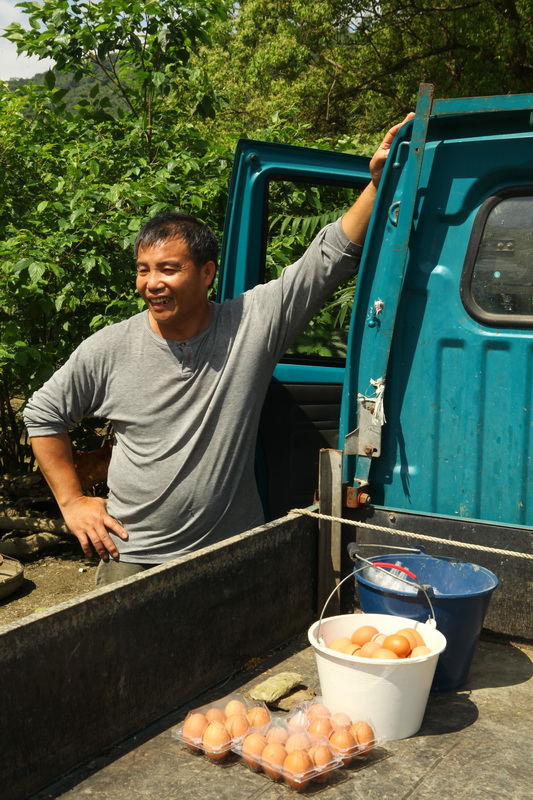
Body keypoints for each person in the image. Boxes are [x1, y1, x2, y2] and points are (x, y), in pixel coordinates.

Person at [23, 114, 414, 586]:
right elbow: (42, 415)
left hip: (230, 554)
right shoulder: (109, 347)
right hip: (133, 555)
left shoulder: (249, 323)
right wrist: (71, 502)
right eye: (143, 270)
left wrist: (376, 184)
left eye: (168, 269)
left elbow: (325, 260)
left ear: (206, 273)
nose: (152, 284)